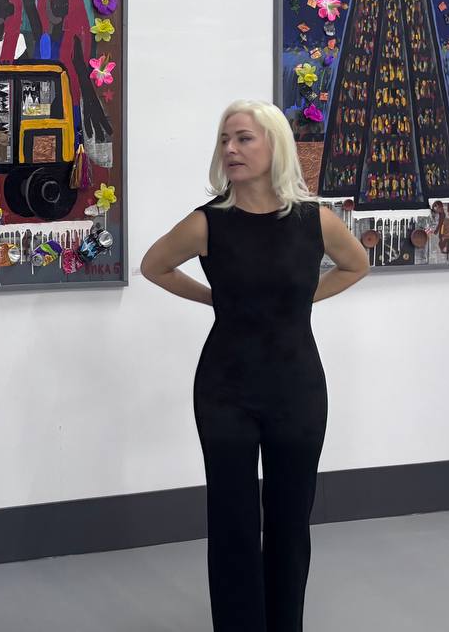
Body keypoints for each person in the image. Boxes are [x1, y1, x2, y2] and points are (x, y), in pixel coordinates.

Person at [140, 100, 368, 631]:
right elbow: (154, 266)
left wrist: (298, 300)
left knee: (290, 520)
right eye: (225, 140)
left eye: (243, 138)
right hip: (226, 391)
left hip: (297, 388)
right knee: (233, 521)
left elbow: (356, 265)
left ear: (274, 145)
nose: (231, 149)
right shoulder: (208, 223)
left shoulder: (315, 220)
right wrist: (215, 299)